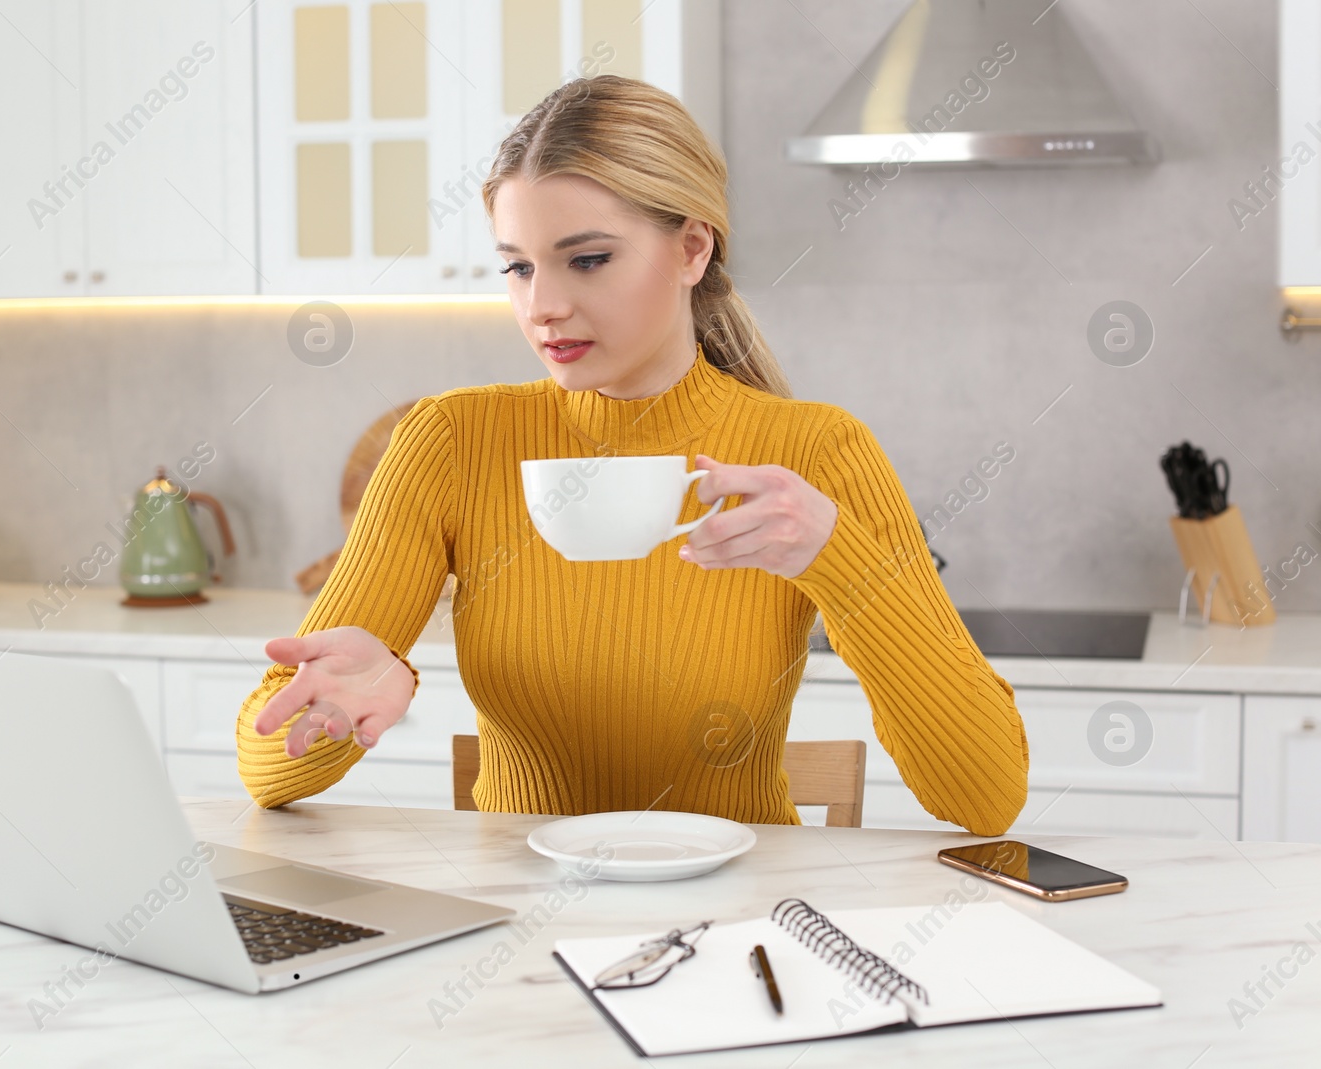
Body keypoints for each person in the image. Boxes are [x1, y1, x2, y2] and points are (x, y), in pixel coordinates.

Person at [239, 74, 1028, 835]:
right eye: (517, 266)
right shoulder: (450, 442)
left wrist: (842, 561)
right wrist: (355, 697)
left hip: (740, 927)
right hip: (518, 933)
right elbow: (266, 775)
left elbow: (987, 797)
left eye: (587, 260)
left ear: (691, 249)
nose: (542, 305)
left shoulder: (814, 450)